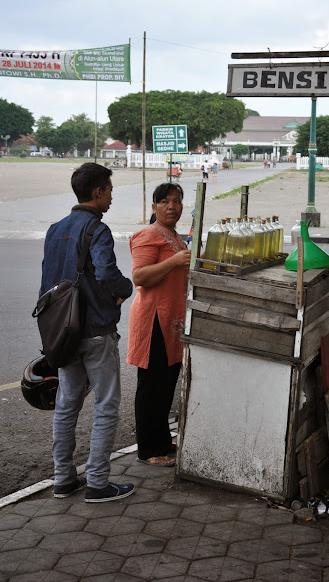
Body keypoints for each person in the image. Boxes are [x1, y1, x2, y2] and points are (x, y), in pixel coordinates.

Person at [40, 163, 134, 503]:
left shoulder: (55, 229)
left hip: (64, 331)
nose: (111, 196)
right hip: (95, 329)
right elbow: (108, 273)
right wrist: (125, 289)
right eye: (109, 190)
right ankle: (97, 482)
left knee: (67, 404)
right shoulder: (97, 229)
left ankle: (63, 479)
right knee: (107, 404)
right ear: (97, 192)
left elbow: (47, 280)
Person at [127, 183, 191, 466]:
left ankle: (162, 441)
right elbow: (140, 277)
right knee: (151, 386)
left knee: (166, 384)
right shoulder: (148, 235)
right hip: (153, 320)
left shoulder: (175, 237)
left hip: (172, 321)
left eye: (177, 201)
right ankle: (149, 450)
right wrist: (175, 261)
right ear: (153, 207)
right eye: (165, 201)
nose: (172, 206)